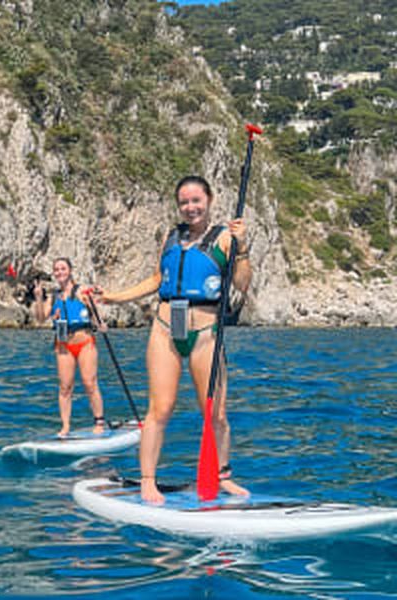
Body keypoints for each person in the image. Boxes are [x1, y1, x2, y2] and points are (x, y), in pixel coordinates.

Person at [97, 175, 252, 504]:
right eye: (184, 202)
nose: (190, 207)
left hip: (206, 331)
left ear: (209, 200)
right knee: (160, 409)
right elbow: (157, 278)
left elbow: (243, 284)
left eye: (196, 200)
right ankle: (147, 481)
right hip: (167, 326)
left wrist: (243, 248)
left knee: (216, 413)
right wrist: (114, 298)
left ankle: (223, 477)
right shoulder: (171, 237)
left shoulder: (226, 238)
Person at [32, 257, 107, 437]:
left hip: (85, 342)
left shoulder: (81, 291)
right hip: (63, 345)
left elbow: (94, 314)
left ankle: (99, 421)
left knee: (90, 383)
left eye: (63, 269)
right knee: (65, 387)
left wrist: (99, 322)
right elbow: (41, 318)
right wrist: (38, 298)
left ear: (70, 270)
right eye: (56, 270)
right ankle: (65, 426)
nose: (59, 272)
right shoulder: (53, 296)